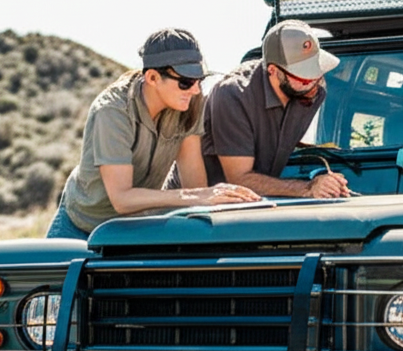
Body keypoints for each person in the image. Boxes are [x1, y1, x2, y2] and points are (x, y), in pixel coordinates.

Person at [46, 28, 260, 239]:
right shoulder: (113, 112)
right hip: (81, 226)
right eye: (185, 82)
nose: (195, 90)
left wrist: (220, 199)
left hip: (136, 226)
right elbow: (122, 199)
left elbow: (195, 187)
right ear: (152, 77)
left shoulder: (190, 103)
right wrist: (196, 195)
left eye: (199, 80)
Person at [201, 19, 352, 198]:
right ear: (273, 70)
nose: (314, 83)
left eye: (317, 71)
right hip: (206, 210)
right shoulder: (233, 95)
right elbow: (238, 180)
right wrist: (308, 188)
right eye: (304, 76)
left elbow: (276, 136)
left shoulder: (312, 91)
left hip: (262, 201)